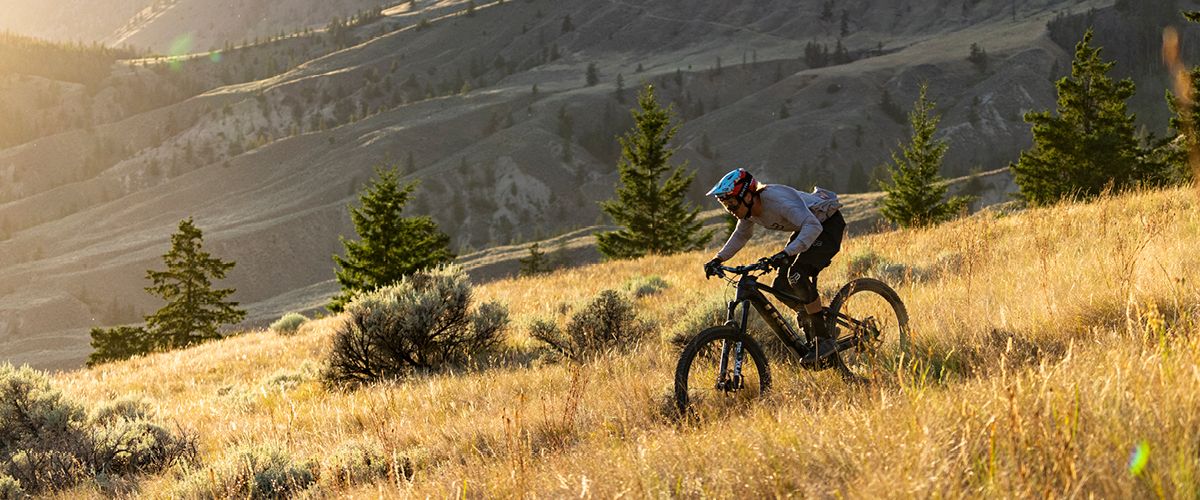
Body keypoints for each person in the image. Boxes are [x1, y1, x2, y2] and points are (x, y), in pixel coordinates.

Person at [702, 168, 845, 363]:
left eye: (733, 204)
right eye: (727, 206)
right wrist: (718, 259)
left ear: (747, 196)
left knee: (796, 274)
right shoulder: (749, 212)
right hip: (807, 227)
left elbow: (813, 226)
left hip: (826, 226)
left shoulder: (776, 202)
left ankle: (823, 338)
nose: (731, 210)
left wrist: (786, 254)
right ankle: (815, 318)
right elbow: (741, 235)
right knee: (780, 287)